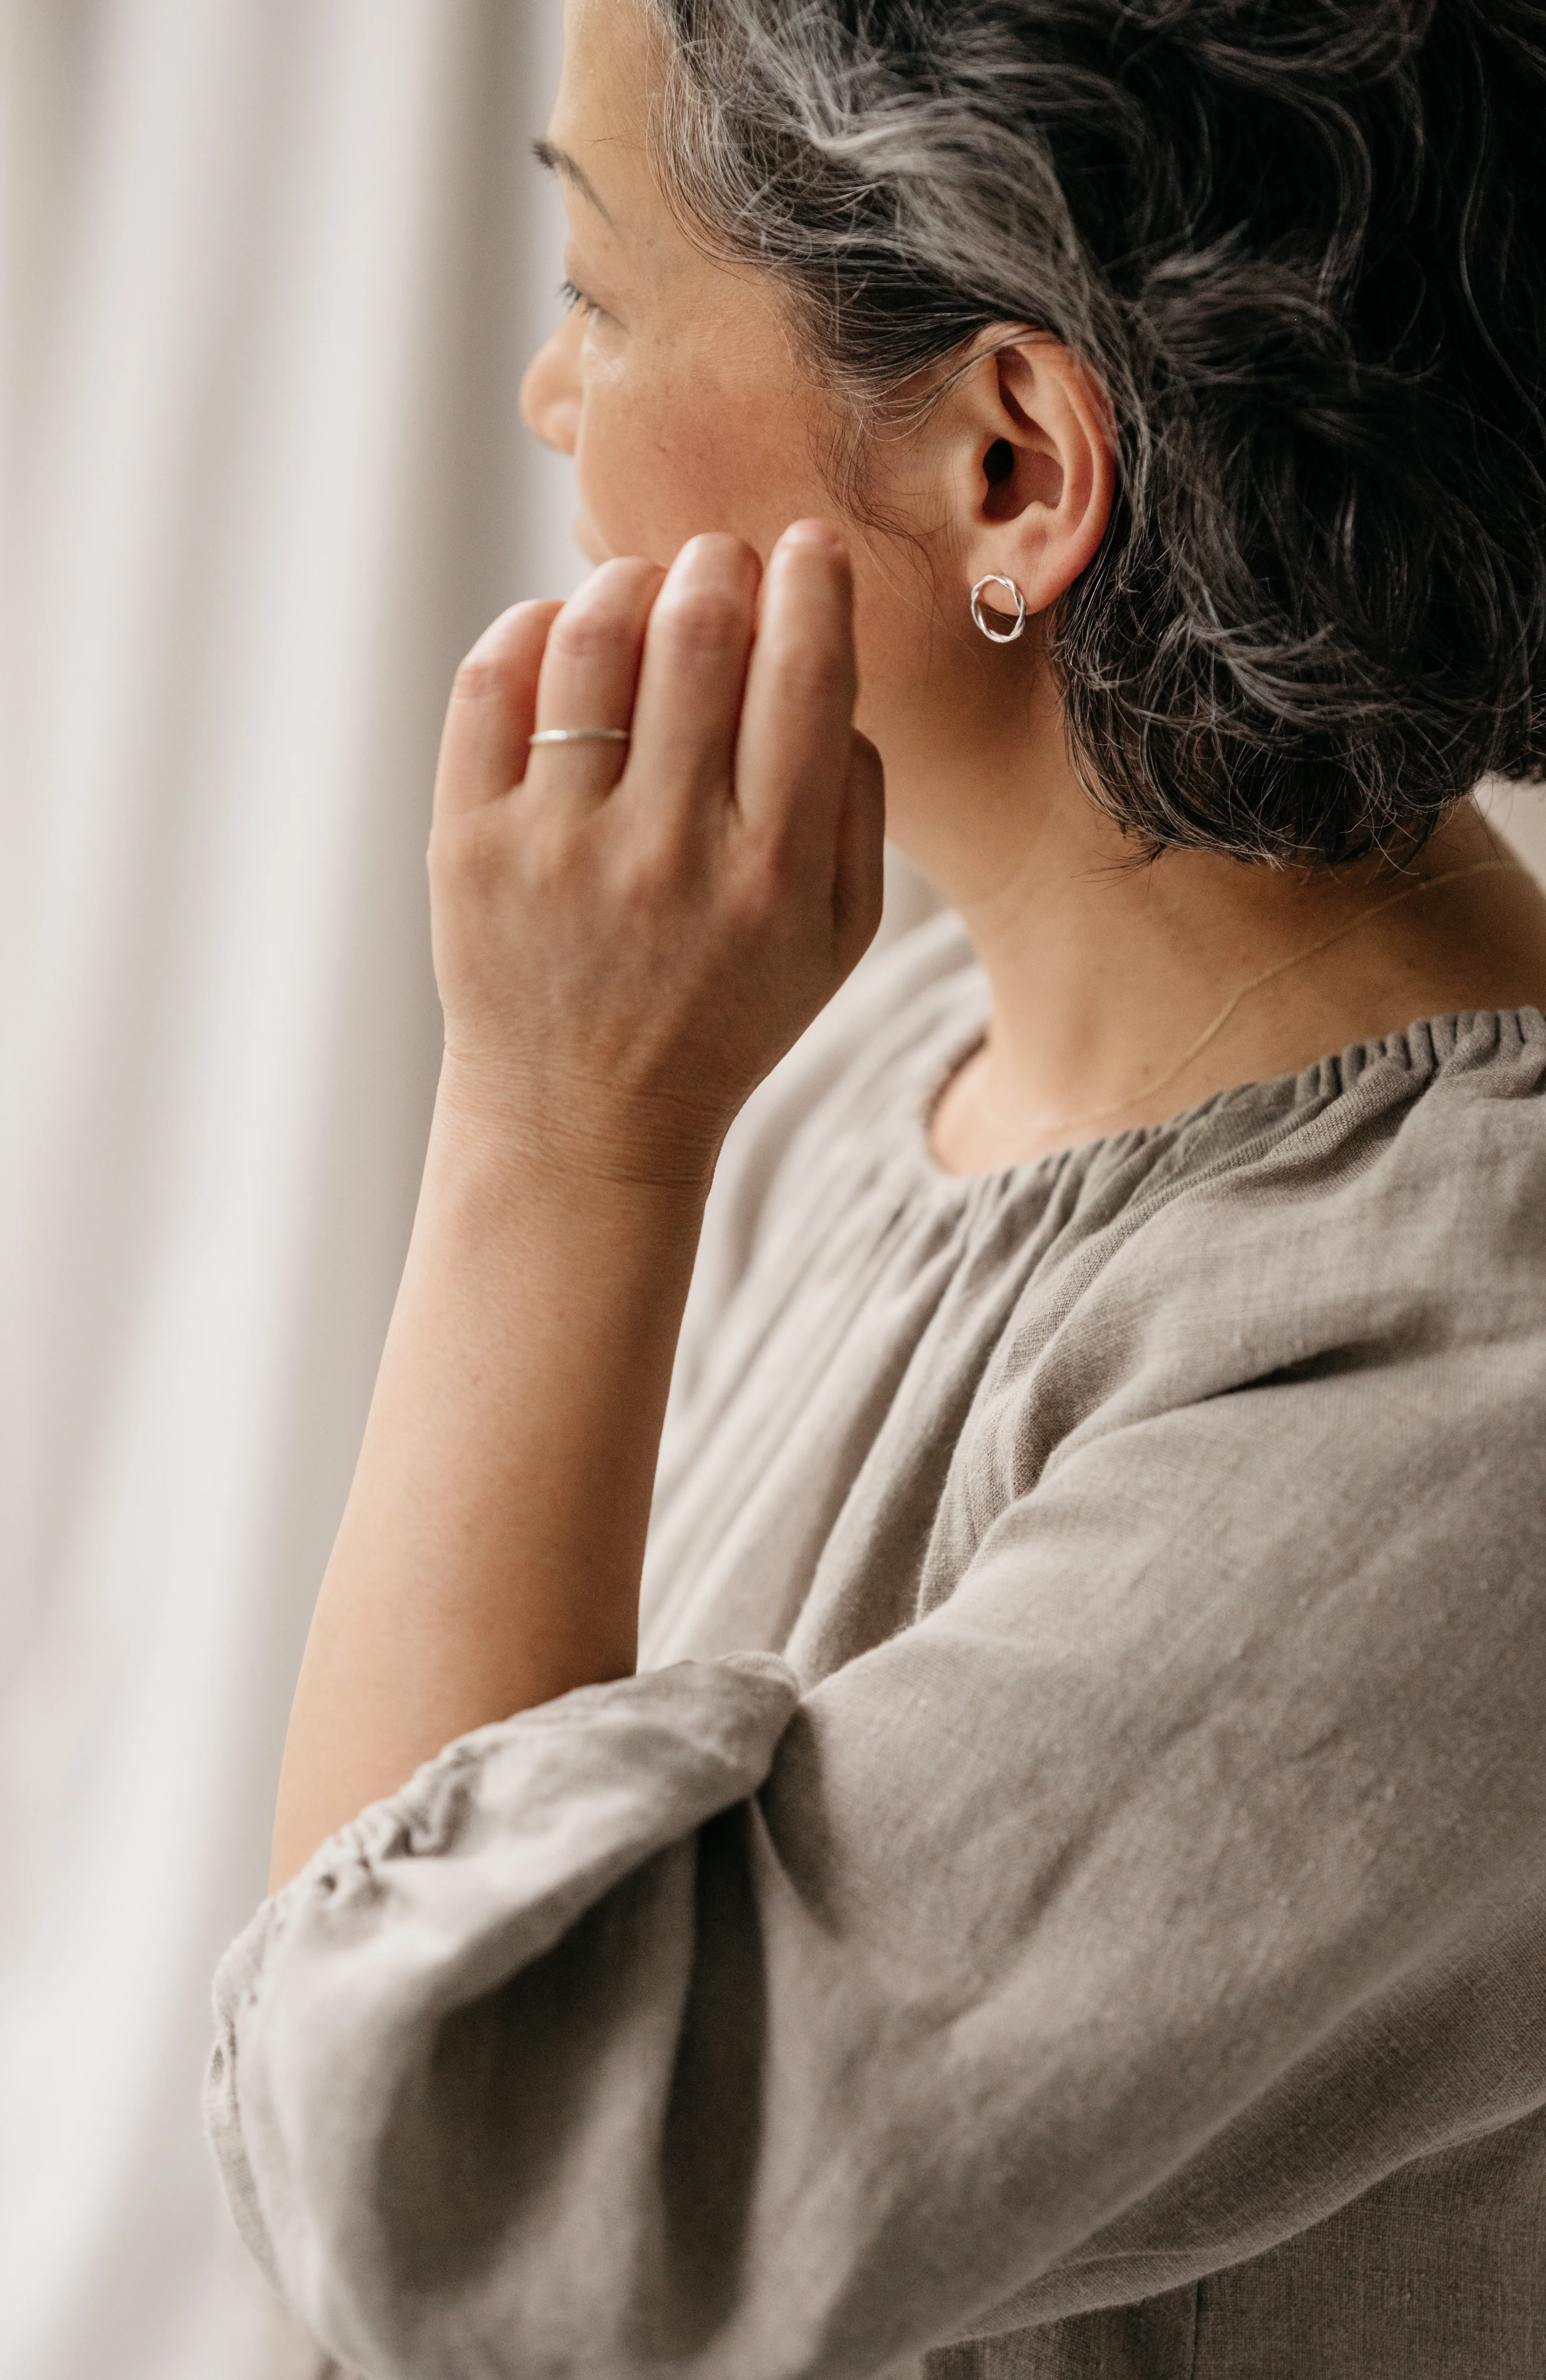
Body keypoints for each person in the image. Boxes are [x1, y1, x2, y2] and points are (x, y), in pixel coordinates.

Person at [205, 1, 1546, 2373]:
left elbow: (457, 2211)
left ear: (1011, 465)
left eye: (600, 295)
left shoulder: (1465, 1392)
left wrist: (548, 1143)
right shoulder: (890, 1083)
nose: (545, 395)